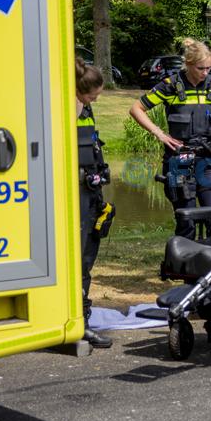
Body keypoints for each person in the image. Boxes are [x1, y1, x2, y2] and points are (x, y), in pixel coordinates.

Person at [129, 38, 211, 243]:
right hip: (179, 163)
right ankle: (185, 259)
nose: (206, 72)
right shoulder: (170, 86)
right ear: (188, 64)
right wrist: (159, 133)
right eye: (201, 68)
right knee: (186, 222)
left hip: (209, 161)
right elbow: (136, 109)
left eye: (209, 68)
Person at [76, 57, 115, 349]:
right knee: (78, 261)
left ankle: (82, 320)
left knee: (88, 258)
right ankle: (78, 323)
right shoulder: (68, 110)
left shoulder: (85, 109)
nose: (95, 100)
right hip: (75, 196)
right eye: (92, 95)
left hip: (91, 194)